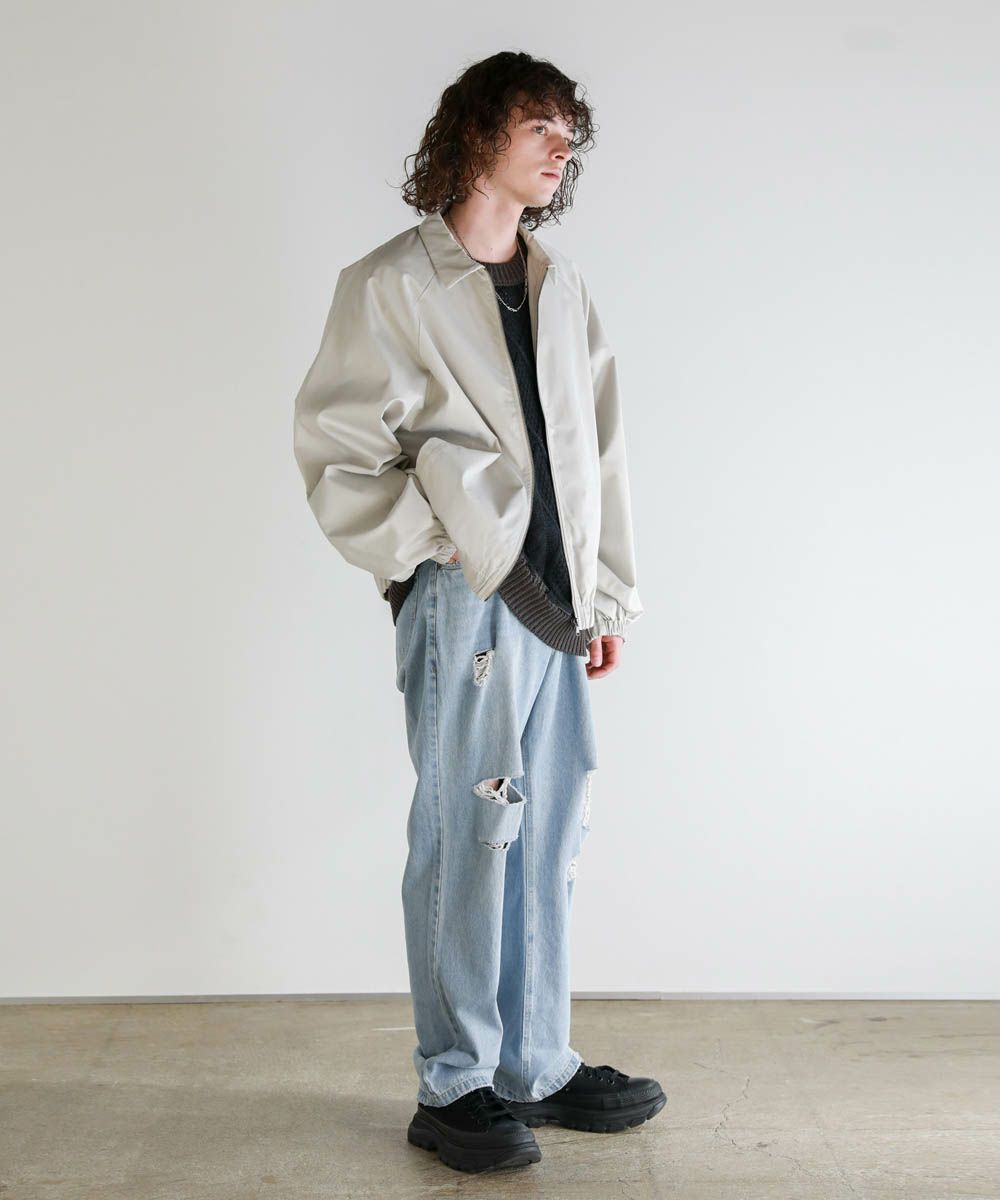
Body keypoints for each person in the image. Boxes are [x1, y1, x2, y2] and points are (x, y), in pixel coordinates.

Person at [292, 50, 664, 1174]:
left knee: (550, 829)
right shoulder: (391, 285)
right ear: (475, 134)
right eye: (539, 125)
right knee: (467, 831)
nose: (562, 146)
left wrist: (605, 593)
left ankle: (534, 1064)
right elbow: (339, 450)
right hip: (464, 599)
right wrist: (433, 550)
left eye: (568, 131)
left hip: (555, 602)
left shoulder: (562, 286)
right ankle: (455, 1081)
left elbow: (600, 452)